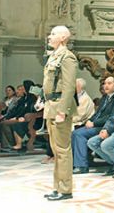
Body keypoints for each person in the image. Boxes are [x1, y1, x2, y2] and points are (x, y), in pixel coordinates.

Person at [42, 25, 77, 202]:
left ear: (63, 37)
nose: (49, 37)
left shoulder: (67, 57)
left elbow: (69, 87)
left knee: (63, 150)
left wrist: (62, 111)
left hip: (59, 108)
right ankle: (57, 187)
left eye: (53, 34)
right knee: (56, 151)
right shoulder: (54, 55)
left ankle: (65, 189)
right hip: (51, 106)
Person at [71, 76, 114, 174]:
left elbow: (112, 116)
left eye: (109, 83)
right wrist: (90, 120)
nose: (106, 86)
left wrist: (94, 123)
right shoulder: (105, 97)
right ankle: (80, 162)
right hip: (98, 125)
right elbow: (97, 113)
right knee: (75, 133)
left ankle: (81, 166)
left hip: (107, 127)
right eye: (105, 83)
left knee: (78, 134)